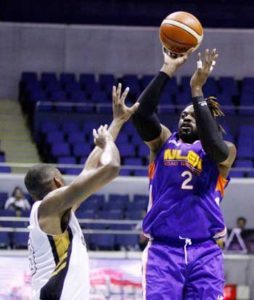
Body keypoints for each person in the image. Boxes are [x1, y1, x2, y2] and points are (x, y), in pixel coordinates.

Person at [132, 48, 237, 299]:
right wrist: (168, 70)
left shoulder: (224, 152)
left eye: (193, 115)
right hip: (163, 251)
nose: (186, 119)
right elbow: (142, 115)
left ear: (207, 121)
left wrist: (197, 90)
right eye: (183, 115)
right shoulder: (163, 143)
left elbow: (215, 146)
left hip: (205, 251)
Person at [25, 83, 139, 300]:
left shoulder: (56, 213)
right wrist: (107, 144)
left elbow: (89, 169)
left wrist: (118, 121)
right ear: (58, 182)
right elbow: (111, 167)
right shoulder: (49, 207)